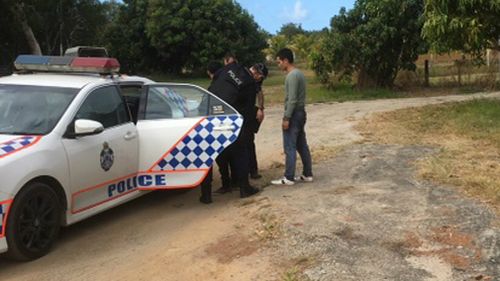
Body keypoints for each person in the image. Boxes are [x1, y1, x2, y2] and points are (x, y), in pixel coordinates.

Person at [208, 52, 260, 198]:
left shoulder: (223, 71)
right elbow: (249, 107)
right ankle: (244, 187)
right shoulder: (249, 81)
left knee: (220, 151)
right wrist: (246, 124)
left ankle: (225, 185)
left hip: (213, 115)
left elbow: (212, 88)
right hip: (233, 117)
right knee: (240, 151)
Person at [271, 48, 313, 185]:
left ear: (286, 60)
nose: (279, 65)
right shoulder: (299, 74)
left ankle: (288, 177)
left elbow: (292, 99)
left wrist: (286, 117)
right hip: (300, 113)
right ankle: (307, 174)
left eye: (279, 62)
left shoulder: (292, 76)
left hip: (294, 114)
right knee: (302, 145)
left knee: (290, 146)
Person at [199, 61, 224, 204]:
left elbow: (202, 109)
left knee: (206, 160)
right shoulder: (226, 86)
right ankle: (228, 183)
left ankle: (206, 195)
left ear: (209, 73)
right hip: (223, 128)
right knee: (223, 158)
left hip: (209, 128)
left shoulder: (211, 89)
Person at [247, 63, 268, 179]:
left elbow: (259, 92)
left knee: (250, 141)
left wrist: (261, 108)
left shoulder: (256, 80)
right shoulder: (245, 76)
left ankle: (253, 170)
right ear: (254, 72)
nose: (260, 79)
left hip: (249, 113)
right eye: (260, 76)